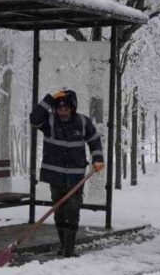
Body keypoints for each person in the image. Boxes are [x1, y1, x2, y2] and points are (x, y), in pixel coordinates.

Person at [30, 88, 105, 257]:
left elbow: (94, 140)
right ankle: (64, 247)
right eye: (59, 109)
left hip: (75, 176)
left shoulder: (82, 122)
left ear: (72, 108)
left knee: (72, 210)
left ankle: (69, 250)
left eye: (66, 109)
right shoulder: (49, 122)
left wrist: (98, 158)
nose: (63, 112)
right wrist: (49, 99)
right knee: (59, 212)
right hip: (54, 176)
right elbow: (34, 119)